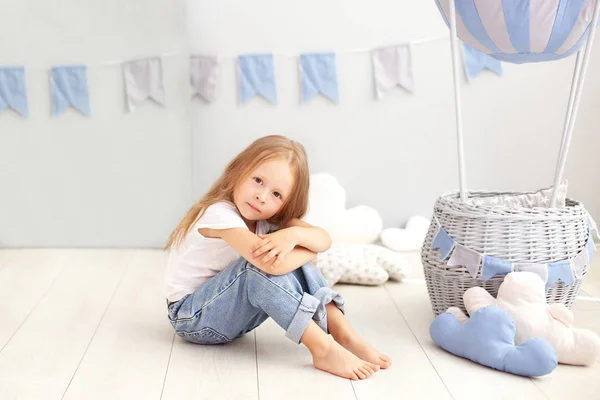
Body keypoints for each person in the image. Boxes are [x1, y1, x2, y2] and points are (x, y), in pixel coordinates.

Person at [164, 135, 391, 380]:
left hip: (232, 320)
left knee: (283, 254)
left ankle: (343, 332)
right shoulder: (219, 213)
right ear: (239, 172)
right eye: (258, 180)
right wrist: (307, 251)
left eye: (276, 195)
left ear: (285, 205)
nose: (262, 196)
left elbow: (323, 238)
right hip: (191, 318)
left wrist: (293, 236)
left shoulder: (267, 221)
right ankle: (322, 348)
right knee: (260, 265)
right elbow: (268, 264)